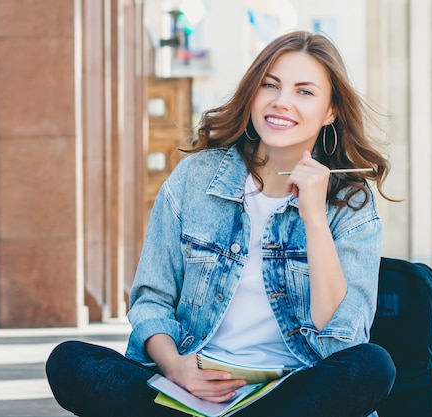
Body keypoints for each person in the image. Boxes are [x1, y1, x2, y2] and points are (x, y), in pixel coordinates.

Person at [46, 30, 396, 417]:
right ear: (253, 93)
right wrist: (177, 368)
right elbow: (152, 301)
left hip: (292, 390)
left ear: (331, 111)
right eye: (270, 85)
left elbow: (341, 334)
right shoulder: (195, 179)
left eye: (305, 92)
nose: (282, 102)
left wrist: (314, 217)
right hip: (191, 384)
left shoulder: (351, 203)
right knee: (70, 362)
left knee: (372, 366)